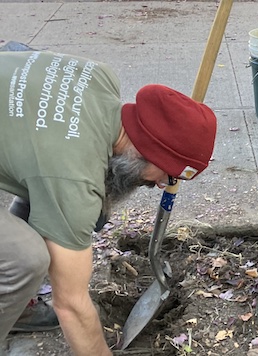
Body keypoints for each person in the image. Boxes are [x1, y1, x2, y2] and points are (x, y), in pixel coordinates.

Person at [0, 48, 217, 355]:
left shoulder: (99, 77)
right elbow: (71, 304)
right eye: (165, 174)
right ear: (147, 151)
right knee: (23, 259)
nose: (159, 185)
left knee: (47, 195)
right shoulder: (74, 178)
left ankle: (15, 304)